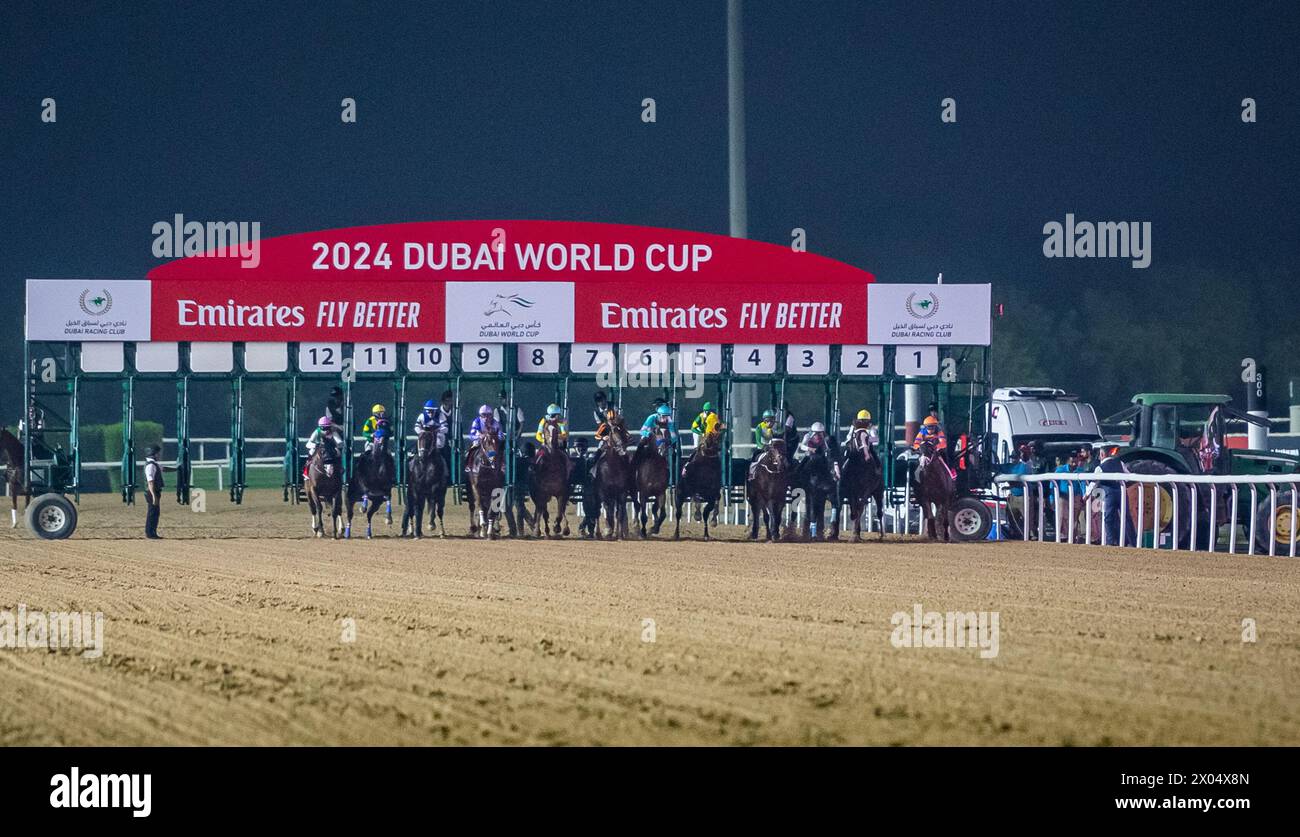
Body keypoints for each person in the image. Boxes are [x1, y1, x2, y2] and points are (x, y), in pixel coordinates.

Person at [1095, 447, 1132, 546]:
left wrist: (1086, 495)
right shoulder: (1120, 463)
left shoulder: (1100, 467)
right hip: (1121, 492)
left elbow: (1093, 483)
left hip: (1109, 494)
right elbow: (1129, 477)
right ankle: (1132, 542)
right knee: (1126, 517)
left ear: (1102, 454)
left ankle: (1111, 541)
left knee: (1108, 518)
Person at [1006, 444, 1037, 538]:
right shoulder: (1009, 467)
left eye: (1015, 458)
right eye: (1012, 458)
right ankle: (1015, 535)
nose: (1013, 459)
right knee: (1012, 519)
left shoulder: (1026, 465)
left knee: (1028, 518)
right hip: (1013, 496)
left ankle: (1032, 536)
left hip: (1025, 496)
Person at [143, 444, 164, 539]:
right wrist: (154, 495)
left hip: (154, 491)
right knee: (152, 512)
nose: (159, 455)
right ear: (154, 454)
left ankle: (152, 532)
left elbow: (163, 469)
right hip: (152, 492)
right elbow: (150, 482)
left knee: (155, 512)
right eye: (158, 453)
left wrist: (177, 468)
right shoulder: (150, 466)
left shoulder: (154, 464)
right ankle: (150, 532)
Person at [750, 408, 779, 474]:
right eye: (768, 420)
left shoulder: (777, 426)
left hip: (775, 448)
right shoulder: (759, 427)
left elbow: (781, 435)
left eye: (772, 420)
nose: (770, 422)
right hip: (763, 449)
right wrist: (764, 447)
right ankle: (751, 473)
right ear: (764, 420)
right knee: (754, 458)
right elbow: (758, 441)